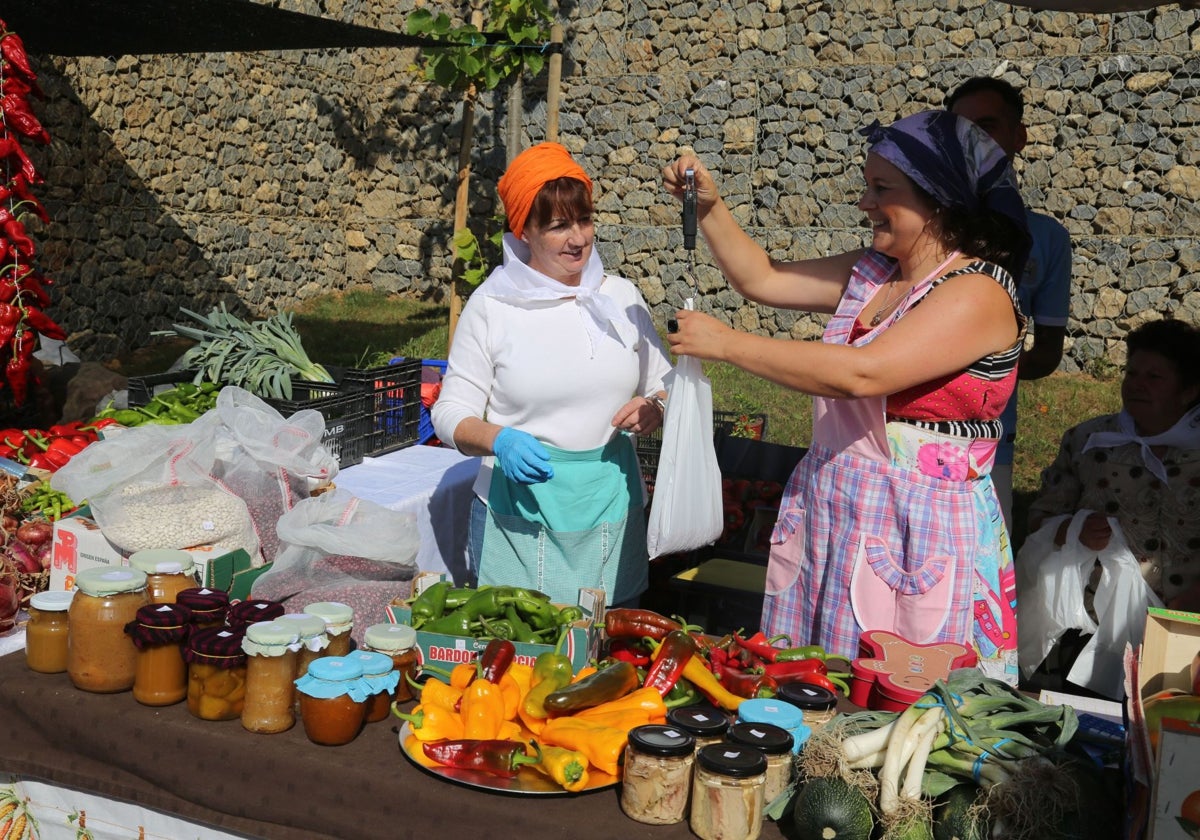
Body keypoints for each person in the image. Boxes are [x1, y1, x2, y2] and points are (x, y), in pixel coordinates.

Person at [662, 110, 1030, 682]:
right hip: (837, 509)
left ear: (939, 199)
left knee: (900, 701)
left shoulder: (978, 292)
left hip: (917, 531)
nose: (865, 202)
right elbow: (762, 277)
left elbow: (863, 374)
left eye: (882, 189)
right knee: (814, 684)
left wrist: (729, 345)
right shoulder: (875, 275)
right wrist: (710, 206)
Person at [431, 142, 672, 607]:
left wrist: (656, 407)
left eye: (584, 220)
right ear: (524, 231)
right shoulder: (492, 308)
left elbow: (666, 383)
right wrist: (499, 440)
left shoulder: (621, 297)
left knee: (607, 663)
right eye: (559, 226)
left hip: (609, 511)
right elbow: (449, 412)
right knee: (517, 660)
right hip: (518, 514)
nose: (578, 239)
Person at [947, 76, 1073, 533]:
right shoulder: (923, 226)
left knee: (979, 574)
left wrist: (978, 367)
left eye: (987, 125)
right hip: (902, 432)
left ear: (1018, 136)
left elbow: (1046, 352)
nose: (973, 141)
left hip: (990, 436)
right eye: (959, 129)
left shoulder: (1047, 239)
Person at [1026, 318, 1200, 612]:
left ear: (1189, 392)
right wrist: (1074, 529)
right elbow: (1038, 519)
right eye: (1131, 373)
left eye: (1154, 377)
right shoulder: (1088, 442)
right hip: (1099, 616)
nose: (1137, 385)